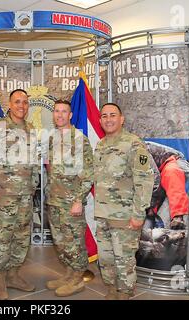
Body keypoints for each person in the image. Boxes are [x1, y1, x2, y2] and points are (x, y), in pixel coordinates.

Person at [0, 89, 39, 300]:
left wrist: (33, 186)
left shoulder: (31, 129)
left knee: (22, 239)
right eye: (17, 102)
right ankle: (0, 280)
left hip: (25, 196)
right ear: (10, 104)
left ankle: (14, 275)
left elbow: (34, 162)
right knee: (3, 239)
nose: (21, 106)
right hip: (2, 196)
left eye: (24, 102)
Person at [93, 103, 154, 300]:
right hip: (103, 213)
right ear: (100, 120)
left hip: (125, 215)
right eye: (104, 116)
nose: (108, 119)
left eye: (113, 115)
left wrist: (138, 214)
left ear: (122, 119)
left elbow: (144, 181)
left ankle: (125, 293)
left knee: (124, 259)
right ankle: (112, 289)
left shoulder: (134, 144)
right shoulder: (101, 144)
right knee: (106, 257)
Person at [44, 100, 93, 297]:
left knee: (74, 242)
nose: (60, 115)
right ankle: (68, 274)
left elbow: (88, 173)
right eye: (57, 111)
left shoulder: (80, 139)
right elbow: (50, 169)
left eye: (64, 112)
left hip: (71, 201)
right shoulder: (52, 138)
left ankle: (77, 279)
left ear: (70, 115)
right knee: (61, 242)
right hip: (55, 199)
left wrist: (78, 199)